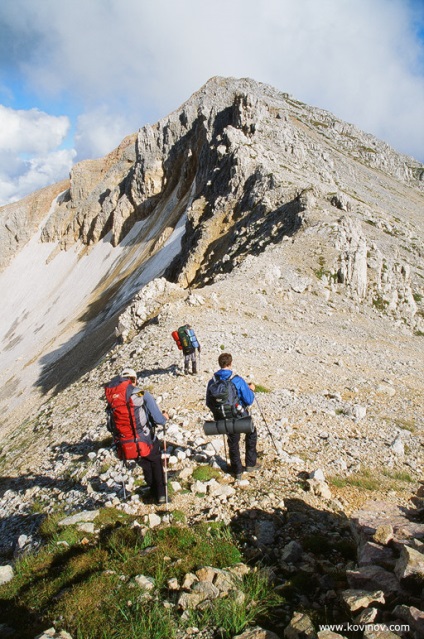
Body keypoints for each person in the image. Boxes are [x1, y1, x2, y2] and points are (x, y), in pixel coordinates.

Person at [116, 368, 169, 504]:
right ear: (135, 379)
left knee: (144, 462)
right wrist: (164, 418)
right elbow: (158, 420)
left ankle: (152, 491)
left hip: (126, 443)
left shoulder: (115, 399)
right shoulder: (141, 394)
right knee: (155, 461)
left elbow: (110, 426)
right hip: (145, 439)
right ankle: (161, 494)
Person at [206, 353, 260, 480]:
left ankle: (237, 469)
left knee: (233, 441)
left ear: (220, 364)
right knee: (252, 432)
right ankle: (250, 463)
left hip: (223, 418)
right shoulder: (236, 379)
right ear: (230, 363)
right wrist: (250, 389)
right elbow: (249, 400)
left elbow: (209, 402)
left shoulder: (212, 381)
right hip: (238, 415)